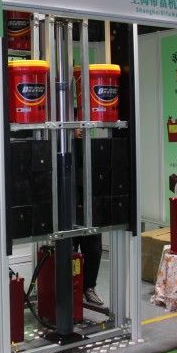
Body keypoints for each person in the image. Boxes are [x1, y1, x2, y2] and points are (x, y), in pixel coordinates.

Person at [73, 126, 104, 306]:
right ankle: (69, 290)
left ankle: (88, 288)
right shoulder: (64, 149)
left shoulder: (92, 149)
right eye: (77, 127)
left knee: (94, 251)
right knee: (69, 254)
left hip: (89, 209)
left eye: (83, 127)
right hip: (69, 211)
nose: (81, 130)